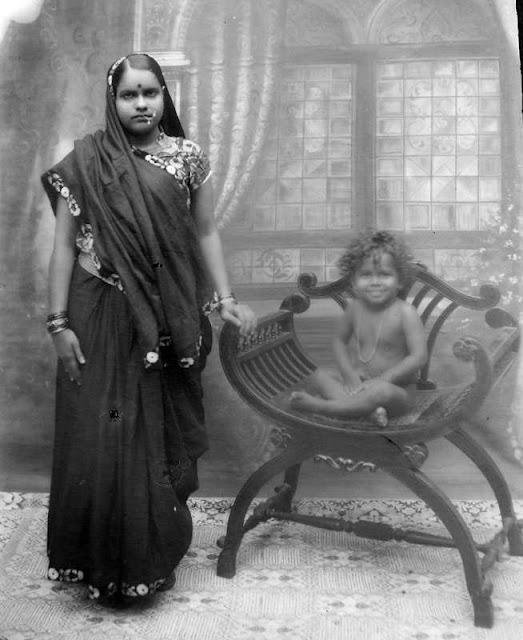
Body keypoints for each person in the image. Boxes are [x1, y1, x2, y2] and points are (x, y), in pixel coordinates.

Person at [41, 53, 256, 604]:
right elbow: (65, 246)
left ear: (166, 96)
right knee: (102, 433)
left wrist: (225, 297)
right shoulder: (86, 161)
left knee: (148, 433)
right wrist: (58, 323)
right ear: (112, 101)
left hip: (160, 315)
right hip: (95, 309)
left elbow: (205, 232)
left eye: (150, 93)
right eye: (128, 95)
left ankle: (145, 561)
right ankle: (94, 563)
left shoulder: (187, 159)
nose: (141, 104)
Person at [290, 230, 427, 426]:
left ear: (400, 281)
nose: (375, 282)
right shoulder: (355, 308)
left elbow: (418, 357)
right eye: (366, 275)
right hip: (361, 384)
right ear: (353, 281)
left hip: (397, 392)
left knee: (380, 392)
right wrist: (349, 374)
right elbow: (338, 341)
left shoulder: (406, 312)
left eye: (385, 275)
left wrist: (384, 379)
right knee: (317, 375)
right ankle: (366, 413)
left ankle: (323, 407)